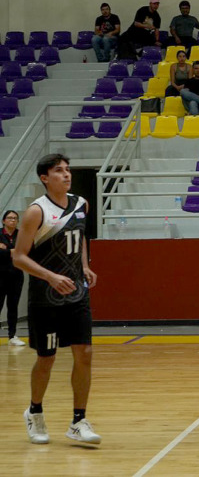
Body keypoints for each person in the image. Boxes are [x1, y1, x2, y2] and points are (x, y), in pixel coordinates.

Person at [13, 154, 100, 445]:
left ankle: (79, 420)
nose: (66, 175)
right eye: (58, 171)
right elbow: (18, 257)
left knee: (84, 354)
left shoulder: (81, 204)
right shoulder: (36, 212)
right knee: (46, 359)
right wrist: (50, 276)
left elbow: (81, 237)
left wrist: (85, 265)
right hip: (45, 297)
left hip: (76, 294)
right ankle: (35, 411)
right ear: (44, 178)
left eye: (67, 170)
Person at [0, 210, 25, 346]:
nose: (13, 220)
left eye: (15, 218)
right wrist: (11, 251)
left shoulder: (21, 234)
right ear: (4, 221)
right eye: (10, 218)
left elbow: (24, 251)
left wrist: (5, 250)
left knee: (13, 306)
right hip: (0, 275)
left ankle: (12, 336)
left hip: (16, 275)